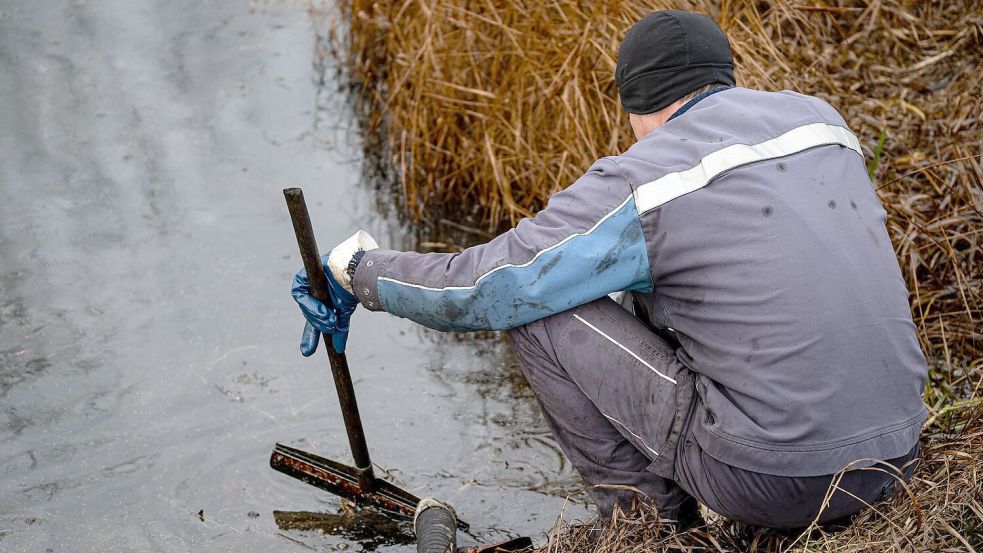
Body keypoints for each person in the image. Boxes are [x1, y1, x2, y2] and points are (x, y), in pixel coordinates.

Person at [291, 10, 927, 529]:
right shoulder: (821, 124)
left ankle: (649, 529)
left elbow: (487, 287)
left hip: (777, 482)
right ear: (722, 78)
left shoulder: (647, 178)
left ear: (636, 102)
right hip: (897, 455)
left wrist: (358, 271)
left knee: (538, 309)